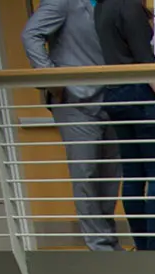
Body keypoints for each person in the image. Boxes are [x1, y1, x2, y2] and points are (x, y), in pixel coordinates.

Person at [21, 0, 120, 251]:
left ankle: (108, 241)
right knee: (85, 172)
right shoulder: (62, 1)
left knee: (111, 174)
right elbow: (31, 34)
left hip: (112, 99)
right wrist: (52, 79)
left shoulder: (111, 4)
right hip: (76, 102)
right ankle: (99, 245)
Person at [94, 0, 155, 251]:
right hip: (141, 95)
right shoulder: (128, 7)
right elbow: (145, 61)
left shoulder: (101, 6)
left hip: (115, 94)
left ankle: (143, 246)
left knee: (132, 175)